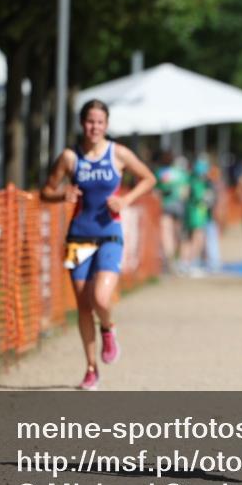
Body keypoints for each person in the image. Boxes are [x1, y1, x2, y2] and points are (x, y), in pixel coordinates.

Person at [41, 99, 156, 390]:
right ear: (82, 123)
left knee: (101, 299)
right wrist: (61, 196)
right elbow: (46, 191)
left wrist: (125, 200)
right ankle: (91, 369)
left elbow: (148, 178)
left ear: (106, 125)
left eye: (100, 122)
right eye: (90, 121)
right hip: (78, 236)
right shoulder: (70, 157)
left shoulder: (118, 153)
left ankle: (108, 327)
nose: (95, 127)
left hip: (109, 234)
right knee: (82, 306)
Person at [155, 151, 189, 273]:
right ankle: (178, 261)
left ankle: (171, 262)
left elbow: (156, 191)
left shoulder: (160, 172)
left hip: (166, 205)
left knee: (167, 234)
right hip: (179, 205)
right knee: (178, 234)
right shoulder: (181, 173)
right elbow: (186, 191)